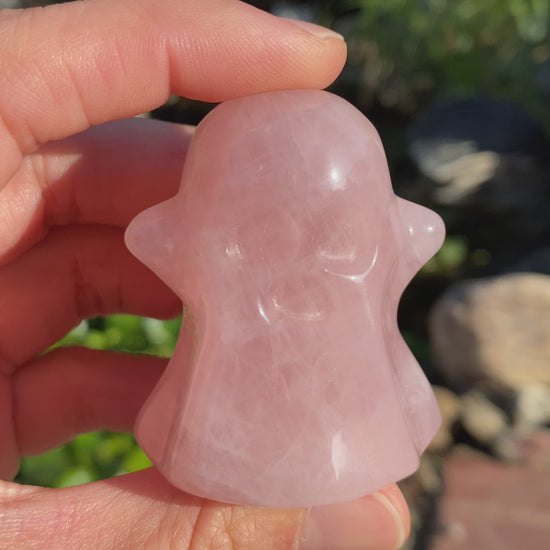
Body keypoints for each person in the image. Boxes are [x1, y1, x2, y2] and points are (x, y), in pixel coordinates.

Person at [0, 1, 409, 548]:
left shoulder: (383, 411)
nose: (296, 287)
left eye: (340, 243)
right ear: (170, 245)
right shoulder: (194, 425)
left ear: (407, 241)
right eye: (257, 244)